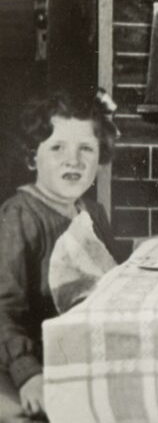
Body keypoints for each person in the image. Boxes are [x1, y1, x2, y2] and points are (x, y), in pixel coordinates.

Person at [0, 91, 118, 422]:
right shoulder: (19, 216)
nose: (73, 160)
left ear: (100, 157)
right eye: (57, 147)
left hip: (82, 356)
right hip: (27, 363)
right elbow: (3, 309)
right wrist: (27, 373)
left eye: (86, 149)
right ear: (31, 157)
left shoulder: (92, 213)